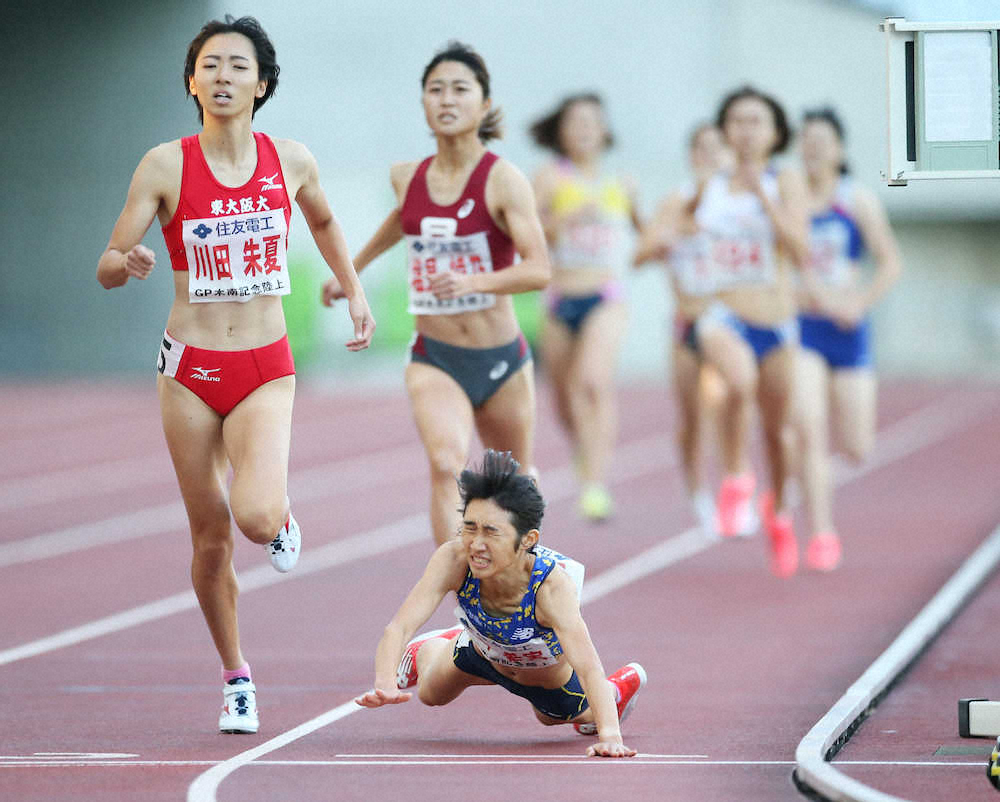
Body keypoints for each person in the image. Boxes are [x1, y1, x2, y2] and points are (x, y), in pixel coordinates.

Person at [96, 15, 374, 734]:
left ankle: (278, 516)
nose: (223, 76)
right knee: (211, 537)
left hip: (262, 364)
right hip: (188, 369)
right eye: (209, 64)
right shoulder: (164, 164)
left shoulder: (292, 159)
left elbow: (324, 222)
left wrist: (355, 289)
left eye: (237, 65)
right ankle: (236, 676)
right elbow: (106, 263)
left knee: (252, 516)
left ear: (264, 82)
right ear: (191, 80)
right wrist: (125, 265)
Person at [322, 42, 550, 546]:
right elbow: (401, 224)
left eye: (460, 90)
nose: (447, 99)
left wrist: (476, 281)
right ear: (423, 103)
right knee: (447, 463)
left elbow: (538, 270)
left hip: (500, 359)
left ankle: (517, 591)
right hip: (436, 355)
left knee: (514, 484)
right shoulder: (408, 177)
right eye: (435, 90)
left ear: (485, 105)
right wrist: (349, 272)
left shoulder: (503, 180)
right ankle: (460, 588)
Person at [354, 449, 646, 758]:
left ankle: (616, 691)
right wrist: (385, 682)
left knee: (557, 718)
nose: (476, 545)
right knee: (430, 694)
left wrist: (612, 737)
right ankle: (438, 646)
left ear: (528, 539)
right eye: (469, 527)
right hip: (480, 655)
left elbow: (588, 667)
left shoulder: (550, 588)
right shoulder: (454, 560)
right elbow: (399, 627)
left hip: (544, 681)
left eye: (491, 533)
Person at [689, 86, 811, 576]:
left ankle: (777, 510)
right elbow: (672, 227)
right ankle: (736, 476)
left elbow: (800, 247)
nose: (745, 130)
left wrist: (763, 193)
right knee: (737, 382)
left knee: (779, 433)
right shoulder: (709, 183)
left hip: (776, 323)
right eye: (736, 120)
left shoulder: (788, 180)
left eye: (756, 120)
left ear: (775, 132)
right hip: (723, 314)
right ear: (724, 130)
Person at [790, 108, 902, 571]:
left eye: (824, 141)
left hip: (848, 329)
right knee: (808, 425)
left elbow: (890, 261)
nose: (814, 148)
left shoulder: (857, 200)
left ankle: (820, 488)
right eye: (807, 140)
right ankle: (821, 533)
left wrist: (860, 302)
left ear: (839, 149)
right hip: (802, 328)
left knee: (856, 447)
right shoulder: (789, 201)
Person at [529, 94, 642, 521]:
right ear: (562, 132)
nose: (584, 131)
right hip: (560, 297)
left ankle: (595, 483)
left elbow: (646, 234)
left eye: (592, 123)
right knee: (562, 399)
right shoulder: (550, 179)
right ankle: (586, 453)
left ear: (605, 131)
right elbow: (528, 229)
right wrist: (569, 219)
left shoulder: (622, 183)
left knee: (593, 382)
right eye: (575, 123)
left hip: (605, 295)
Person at [634, 122, 732, 535]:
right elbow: (640, 255)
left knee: (729, 404)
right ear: (692, 155)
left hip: (728, 321)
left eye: (717, 148)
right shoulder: (674, 201)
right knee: (693, 417)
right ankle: (699, 495)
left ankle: (735, 487)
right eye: (702, 149)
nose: (709, 156)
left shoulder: (737, 203)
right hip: (685, 322)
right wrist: (669, 235)